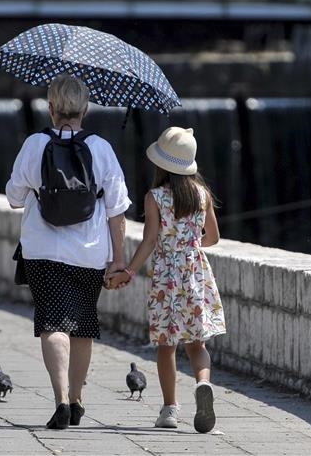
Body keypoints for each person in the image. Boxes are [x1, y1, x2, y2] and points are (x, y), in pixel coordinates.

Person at [5, 74, 131, 430]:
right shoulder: (101, 148)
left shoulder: (34, 144)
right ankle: (77, 399)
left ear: (51, 107)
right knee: (83, 326)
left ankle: (60, 399)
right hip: (90, 253)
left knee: (52, 323)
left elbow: (14, 199)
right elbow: (117, 210)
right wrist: (118, 260)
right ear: (85, 109)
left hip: (42, 250)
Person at [106, 126, 226, 433]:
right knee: (197, 344)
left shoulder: (154, 197)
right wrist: (191, 243)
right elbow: (212, 237)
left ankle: (170, 409)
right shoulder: (202, 195)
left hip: (165, 278)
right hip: (196, 273)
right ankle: (203, 383)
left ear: (161, 164)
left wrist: (128, 271)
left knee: (166, 345)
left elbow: (148, 241)